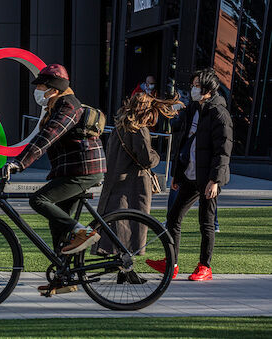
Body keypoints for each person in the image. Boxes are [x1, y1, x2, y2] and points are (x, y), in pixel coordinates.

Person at [3, 64, 107, 294]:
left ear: (54, 88)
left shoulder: (68, 107)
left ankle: (85, 232)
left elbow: (47, 137)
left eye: (41, 86)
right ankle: (65, 278)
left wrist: (19, 163)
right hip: (73, 170)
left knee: (39, 200)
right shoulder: (56, 105)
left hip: (84, 171)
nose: (38, 90)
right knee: (57, 222)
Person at [147, 68, 232, 281]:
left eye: (196, 86)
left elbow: (223, 150)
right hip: (189, 174)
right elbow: (183, 140)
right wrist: (177, 174)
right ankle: (171, 263)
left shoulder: (219, 113)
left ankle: (205, 266)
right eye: (193, 85)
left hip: (208, 178)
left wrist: (215, 180)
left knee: (207, 221)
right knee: (174, 217)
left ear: (208, 89)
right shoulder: (194, 108)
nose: (193, 89)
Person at [93, 93, 179, 284]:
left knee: (116, 226)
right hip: (133, 185)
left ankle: (123, 269)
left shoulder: (120, 125)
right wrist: (156, 156)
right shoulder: (139, 129)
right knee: (131, 227)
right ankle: (126, 268)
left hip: (116, 181)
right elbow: (146, 159)